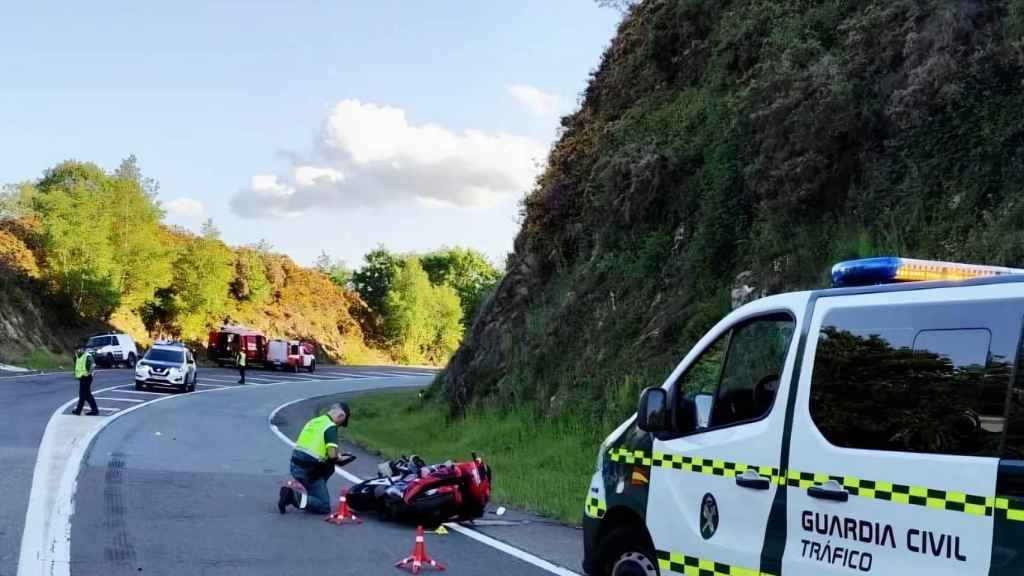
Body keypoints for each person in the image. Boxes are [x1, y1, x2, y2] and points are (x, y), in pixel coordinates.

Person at [278, 402, 354, 514]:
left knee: (327, 466)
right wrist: (341, 458)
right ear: (341, 416)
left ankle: (311, 496)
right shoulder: (330, 427)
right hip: (309, 471)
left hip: (295, 465)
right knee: (324, 506)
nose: (339, 426)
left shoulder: (314, 421)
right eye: (341, 424)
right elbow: (332, 455)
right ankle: (293, 497)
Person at [72, 348, 98, 416]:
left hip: (86, 377)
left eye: (78, 350)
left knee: (85, 395)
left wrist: (89, 373)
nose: (77, 351)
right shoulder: (78, 356)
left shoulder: (87, 356)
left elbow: (93, 365)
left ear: (82, 350)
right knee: (85, 395)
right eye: (76, 350)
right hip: (82, 377)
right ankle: (93, 410)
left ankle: (79, 410)